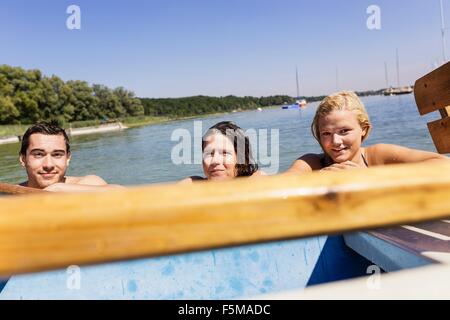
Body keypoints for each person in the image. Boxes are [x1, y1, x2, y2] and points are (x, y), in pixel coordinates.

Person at [286, 91, 448, 173]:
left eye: (344, 131)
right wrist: (320, 179)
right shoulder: (312, 163)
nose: (335, 141)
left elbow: (443, 164)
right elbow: (287, 182)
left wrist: (367, 177)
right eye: (326, 133)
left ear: (363, 129)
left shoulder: (377, 156)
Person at [19, 122, 122, 192]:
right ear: (23, 159)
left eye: (57, 154)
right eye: (38, 154)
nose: (48, 164)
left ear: (68, 158)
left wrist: (58, 188)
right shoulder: (8, 195)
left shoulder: (86, 184)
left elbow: (124, 194)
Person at [180, 121, 263, 183]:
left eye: (225, 153)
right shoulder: (192, 186)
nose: (215, 161)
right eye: (209, 154)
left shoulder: (258, 183)